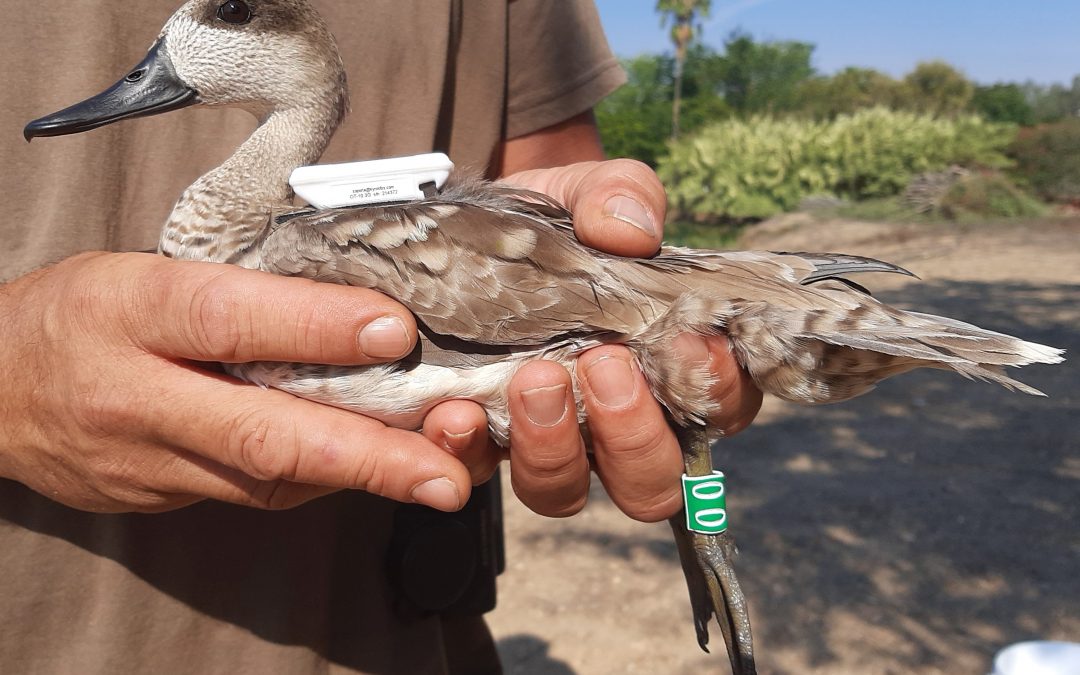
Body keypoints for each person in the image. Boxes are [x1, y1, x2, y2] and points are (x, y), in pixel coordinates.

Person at [0, 0, 762, 672]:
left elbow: (566, 198)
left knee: (672, 401)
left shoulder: (302, 244)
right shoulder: (283, 235)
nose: (152, 70)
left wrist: (603, 224)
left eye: (227, 12)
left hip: (413, 635)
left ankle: (708, 531)